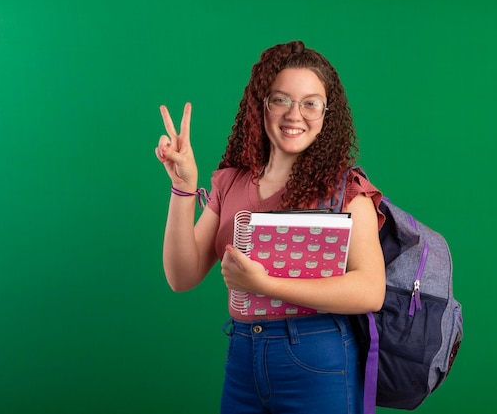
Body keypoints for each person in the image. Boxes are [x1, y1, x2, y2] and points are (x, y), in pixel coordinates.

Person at [155, 40, 386, 414]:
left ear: (327, 114)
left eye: (311, 103)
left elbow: (370, 290)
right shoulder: (229, 182)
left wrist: (262, 285)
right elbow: (181, 276)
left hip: (319, 360)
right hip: (243, 357)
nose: (295, 114)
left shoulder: (345, 190)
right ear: (260, 105)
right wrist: (183, 185)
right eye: (281, 99)